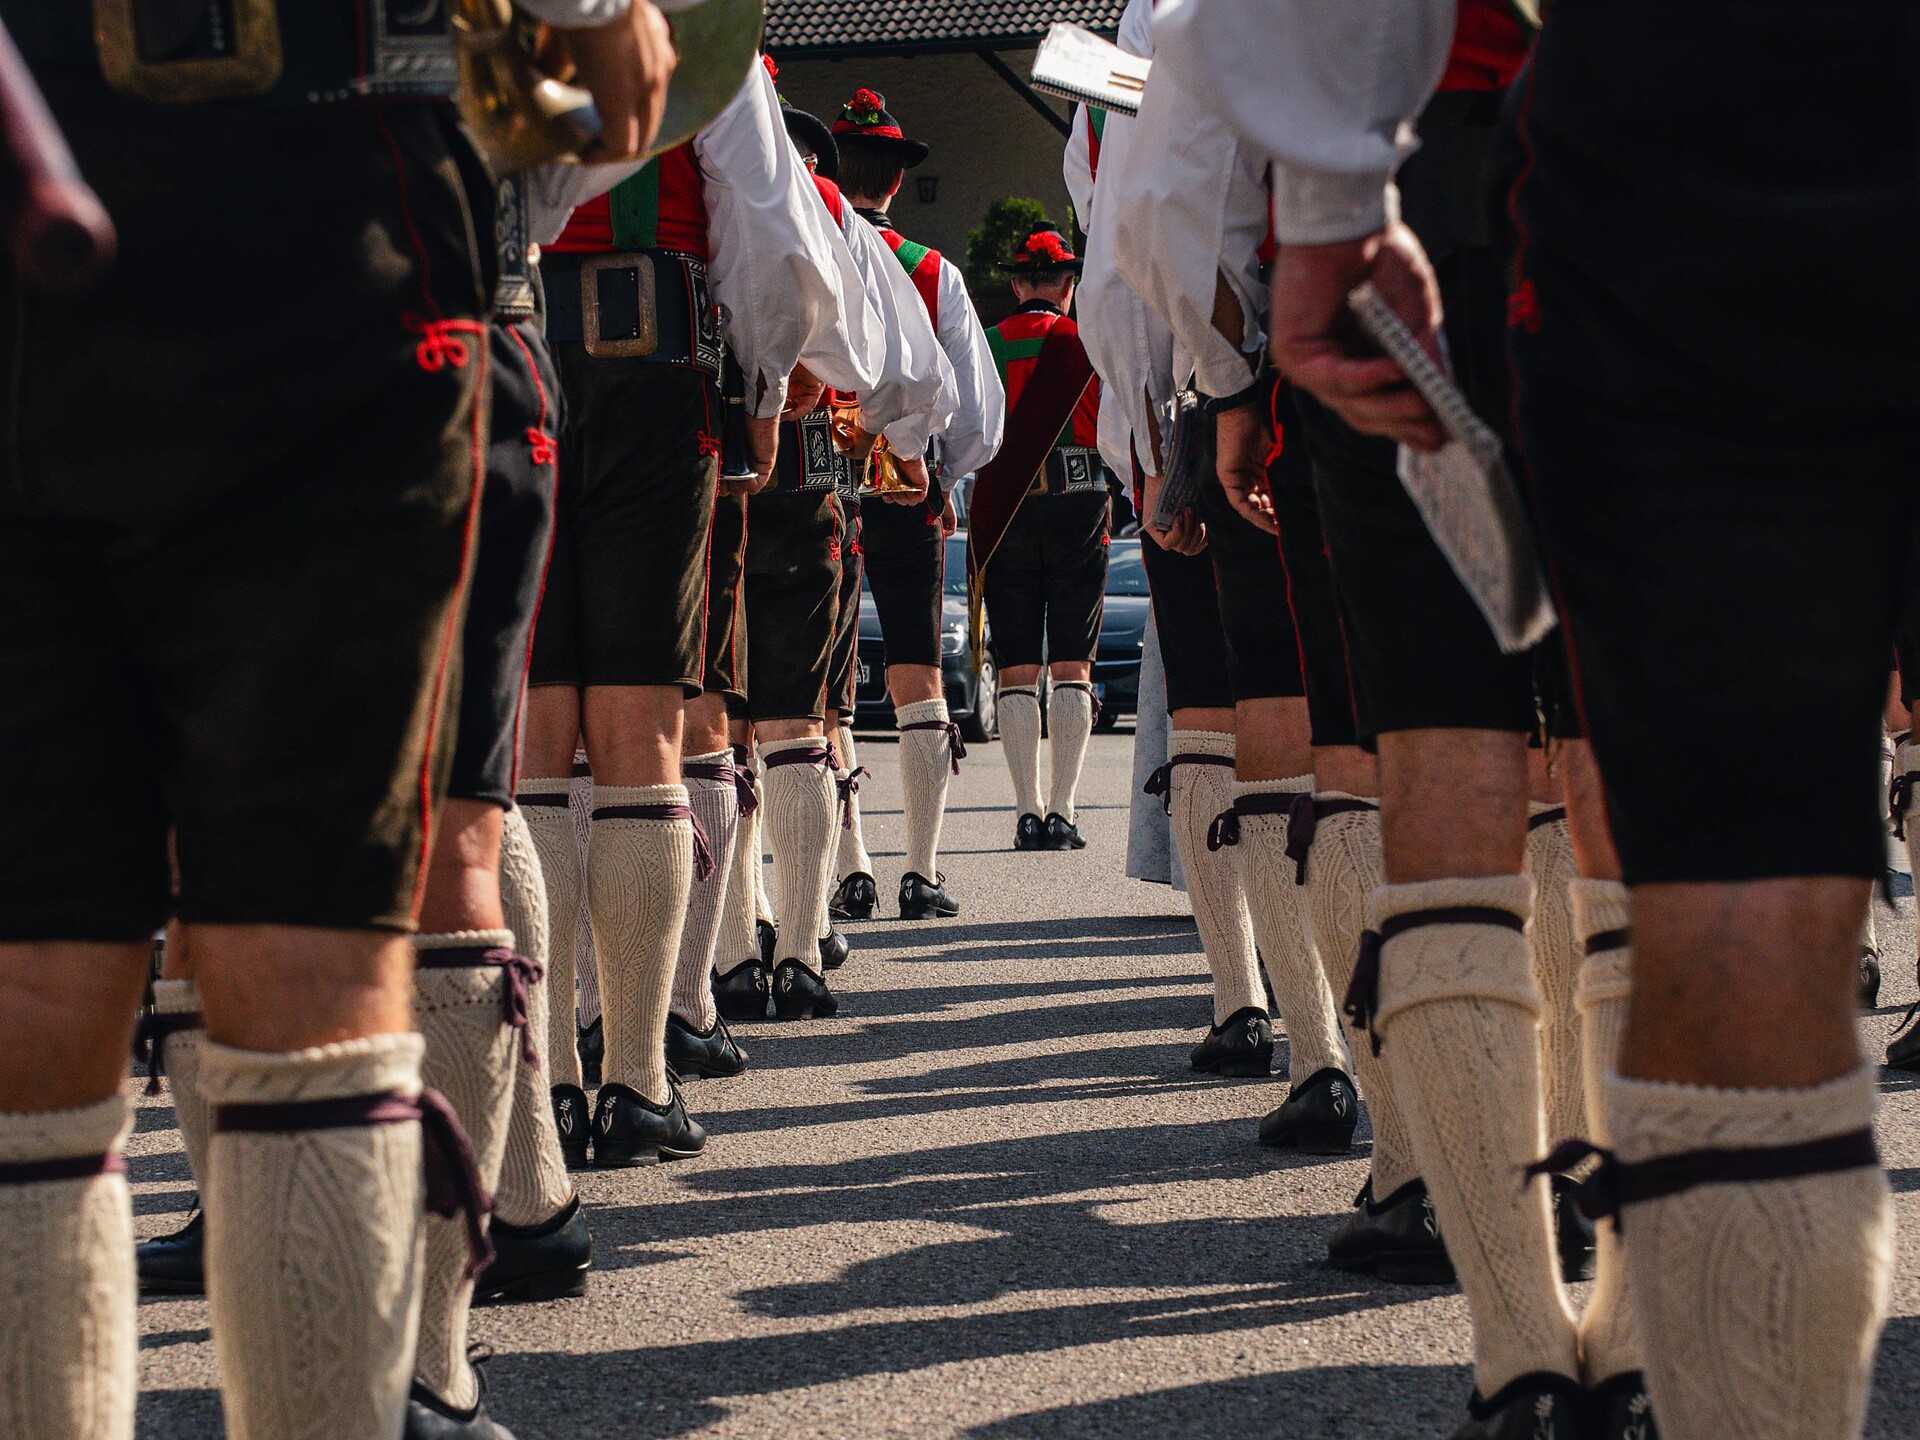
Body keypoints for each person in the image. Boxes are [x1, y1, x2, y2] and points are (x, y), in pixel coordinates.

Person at [1161, 0, 1899, 1436]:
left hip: (1490, 142)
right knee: (1729, 846)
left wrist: (1314, 217)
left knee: (1448, 775)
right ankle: (1627, 1337)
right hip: (1808, 99)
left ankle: (1518, 1356)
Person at [0, 3, 673, 1437]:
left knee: (27, 995)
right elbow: (585, 122)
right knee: (307, 969)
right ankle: (431, 1357)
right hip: (320, 176)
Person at [517, 58, 883, 1166]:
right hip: (653, 350)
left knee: (534, 738)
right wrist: (765, 389)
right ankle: (637, 1074)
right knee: (638, 727)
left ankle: (548, 1088)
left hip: (505, 341)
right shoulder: (695, 25)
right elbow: (772, 231)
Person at [831, 87, 1006, 921]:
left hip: (808, 471)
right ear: (896, 183)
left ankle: (848, 859)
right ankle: (922, 868)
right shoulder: (936, 273)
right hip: (905, 477)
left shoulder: (807, 245)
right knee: (916, 665)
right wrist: (941, 473)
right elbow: (978, 418)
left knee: (812, 675)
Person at [971, 224, 1109, 854]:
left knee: (1019, 666)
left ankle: (1026, 810)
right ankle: (1065, 810)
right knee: (1074, 661)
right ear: (1067, 286)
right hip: (1079, 502)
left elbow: (967, 428)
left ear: (1018, 282)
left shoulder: (986, 344)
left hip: (1007, 509)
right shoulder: (1088, 344)